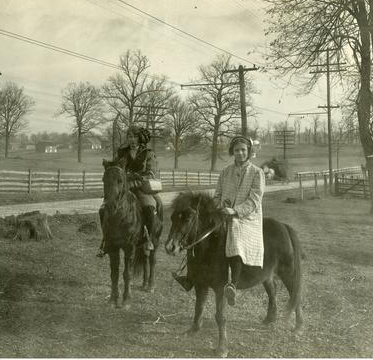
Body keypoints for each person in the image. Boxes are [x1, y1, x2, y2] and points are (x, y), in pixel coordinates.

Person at [173, 136, 265, 306]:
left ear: (249, 152)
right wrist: (215, 210)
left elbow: (254, 200)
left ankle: (232, 283)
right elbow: (217, 196)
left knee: (234, 234)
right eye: (237, 150)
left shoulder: (256, 173)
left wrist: (235, 210)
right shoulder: (225, 171)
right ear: (233, 152)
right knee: (199, 235)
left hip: (246, 217)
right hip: (223, 213)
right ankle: (190, 275)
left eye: (243, 150)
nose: (240, 153)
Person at [97, 125, 162, 258]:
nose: (131, 140)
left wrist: (134, 182)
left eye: (134, 136)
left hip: (141, 188)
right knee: (103, 209)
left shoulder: (148, 153)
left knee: (149, 208)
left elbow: (151, 174)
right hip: (122, 188)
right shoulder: (122, 152)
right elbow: (115, 168)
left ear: (140, 138)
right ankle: (105, 240)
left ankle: (147, 239)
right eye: (129, 136)